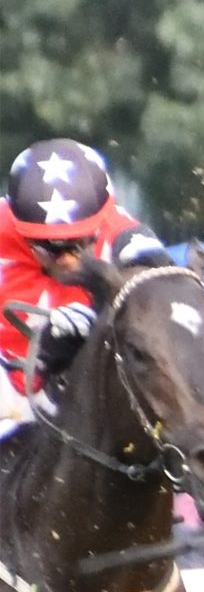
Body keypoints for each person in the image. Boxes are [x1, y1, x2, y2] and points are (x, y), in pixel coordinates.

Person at [0, 138, 167, 419]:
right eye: (49, 248)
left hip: (96, 404)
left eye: (79, 244)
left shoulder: (129, 242)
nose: (67, 260)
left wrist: (102, 320)